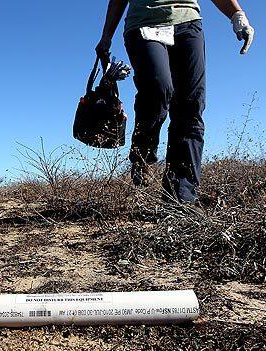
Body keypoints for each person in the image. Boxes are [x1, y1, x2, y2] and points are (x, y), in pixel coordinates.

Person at [96, 0, 254, 203]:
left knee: (191, 106)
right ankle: (142, 154)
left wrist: (237, 15)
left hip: (188, 23)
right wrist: (106, 38)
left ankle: (181, 198)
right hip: (144, 23)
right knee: (157, 89)